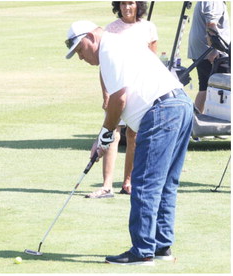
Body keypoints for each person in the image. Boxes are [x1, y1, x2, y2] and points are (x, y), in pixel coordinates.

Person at [65, 19, 193, 265]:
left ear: (90, 37)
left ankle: (143, 250)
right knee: (166, 182)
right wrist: (104, 136)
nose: (81, 57)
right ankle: (160, 246)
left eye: (80, 50)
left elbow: (119, 99)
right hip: (180, 104)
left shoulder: (108, 49)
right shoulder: (118, 44)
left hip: (162, 111)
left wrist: (104, 136)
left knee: (144, 182)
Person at [85, 1, 158, 199]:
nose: (127, 7)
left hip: (139, 89)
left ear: (138, 5)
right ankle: (107, 185)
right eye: (123, 3)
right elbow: (105, 66)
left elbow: (153, 60)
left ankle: (128, 182)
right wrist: (106, 93)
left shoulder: (148, 28)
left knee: (133, 135)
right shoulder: (111, 29)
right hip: (117, 88)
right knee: (113, 133)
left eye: (131, 3)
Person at [188, 1, 230, 113]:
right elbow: (211, 25)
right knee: (223, 85)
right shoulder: (214, 1)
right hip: (211, 51)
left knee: (205, 86)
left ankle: (195, 118)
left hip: (203, 50)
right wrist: (214, 50)